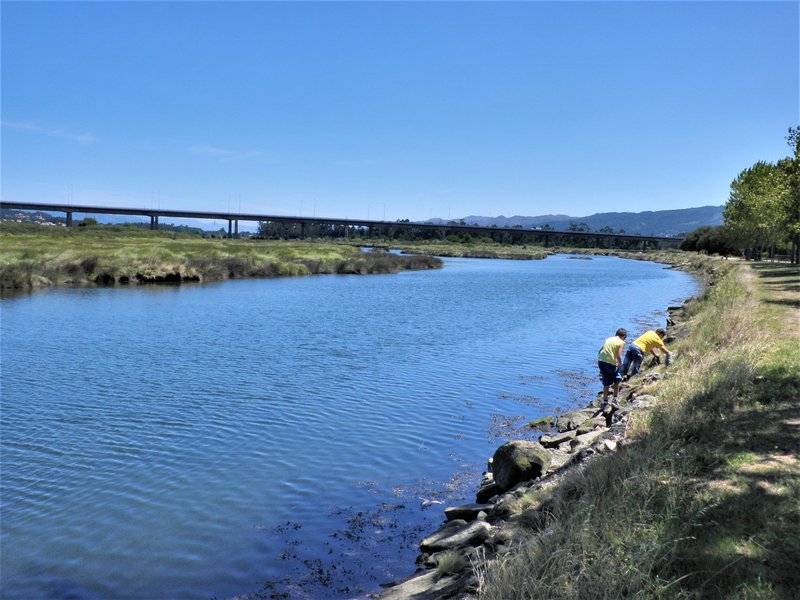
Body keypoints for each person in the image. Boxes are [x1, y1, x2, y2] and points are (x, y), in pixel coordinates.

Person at [598, 328, 627, 406]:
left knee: (606, 382)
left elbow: (600, 350)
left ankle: (605, 402)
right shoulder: (621, 342)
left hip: (601, 361)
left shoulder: (608, 339)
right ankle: (615, 399)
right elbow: (619, 355)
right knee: (618, 379)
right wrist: (620, 365)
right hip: (610, 362)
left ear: (616, 334)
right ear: (624, 336)